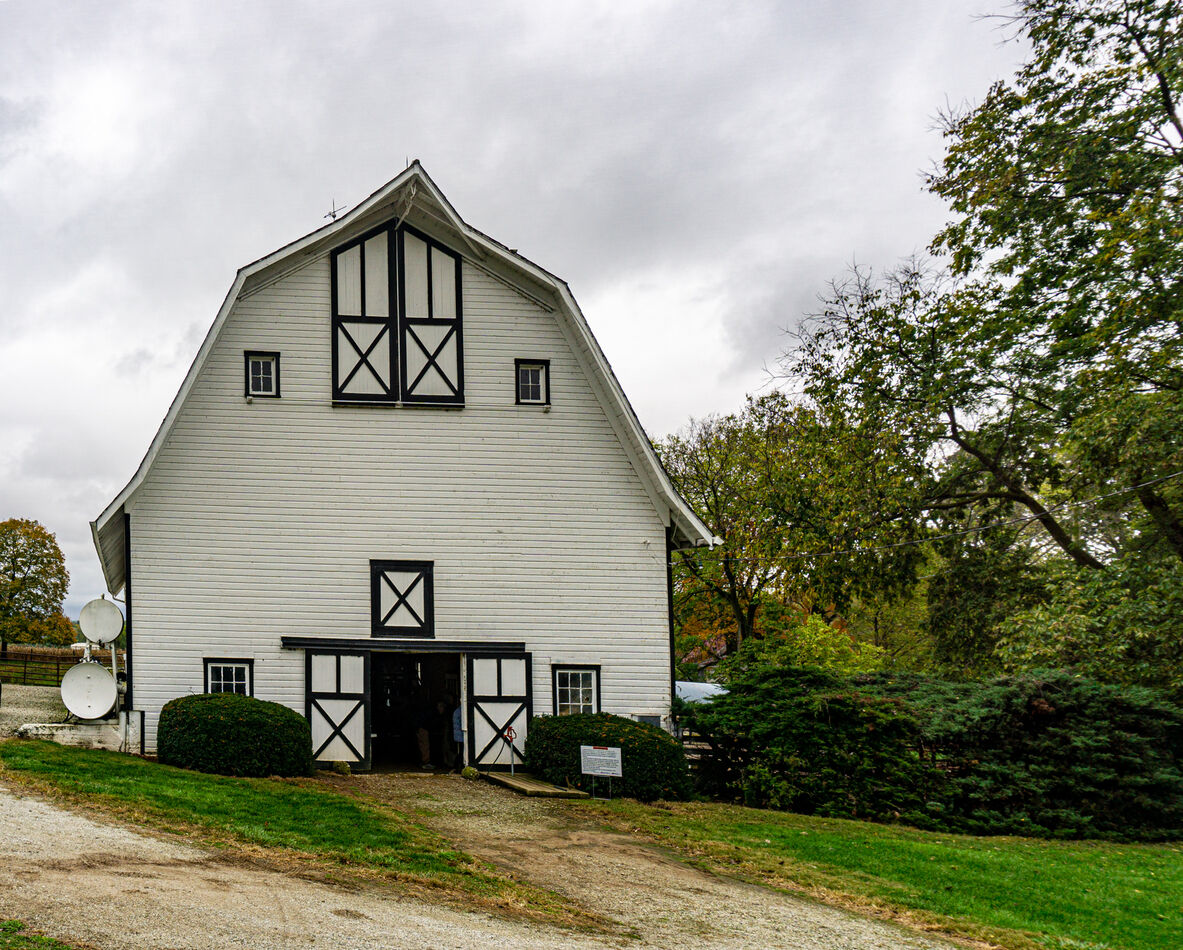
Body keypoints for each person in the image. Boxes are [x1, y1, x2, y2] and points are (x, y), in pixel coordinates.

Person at [451, 700, 464, 771]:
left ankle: (457, 766)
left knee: (461, 751)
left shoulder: (457, 711)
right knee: (461, 752)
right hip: (460, 736)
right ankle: (457, 766)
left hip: (458, 735)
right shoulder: (460, 711)